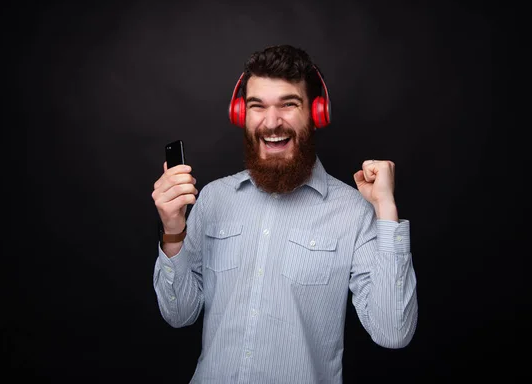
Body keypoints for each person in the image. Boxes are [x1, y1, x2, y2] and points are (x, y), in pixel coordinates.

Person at [151, 44, 418, 383]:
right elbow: (179, 315)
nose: (271, 122)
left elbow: (393, 333)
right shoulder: (214, 198)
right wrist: (173, 231)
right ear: (240, 115)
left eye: (289, 105)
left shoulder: (352, 212)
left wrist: (386, 211)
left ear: (316, 113)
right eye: (257, 106)